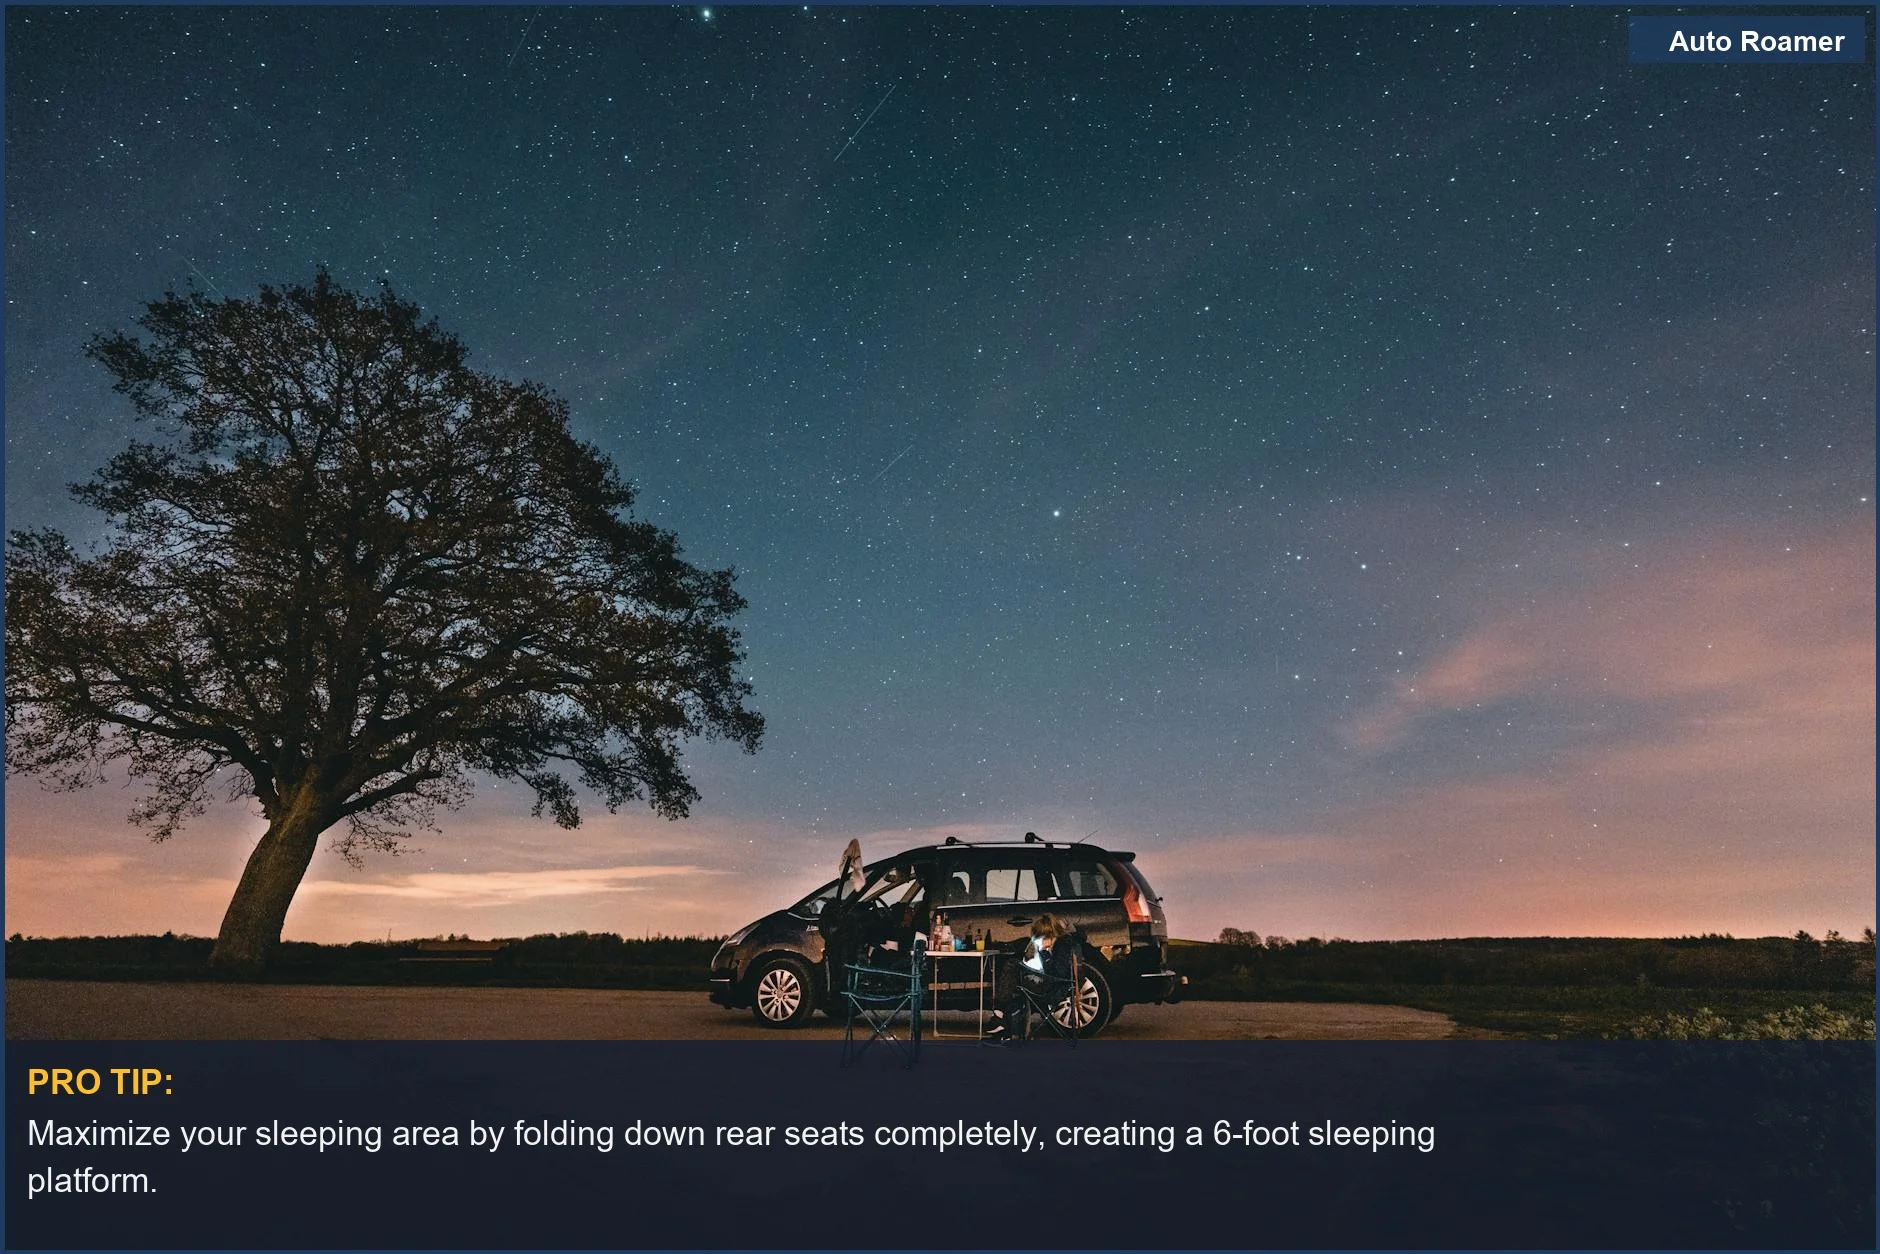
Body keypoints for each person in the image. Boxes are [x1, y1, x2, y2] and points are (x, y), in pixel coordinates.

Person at [982, 912, 1077, 1043]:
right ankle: (1002, 1025)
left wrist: (1044, 953)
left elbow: (1058, 972)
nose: (1039, 941)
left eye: (1041, 937)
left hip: (1053, 987)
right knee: (1012, 981)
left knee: (1011, 968)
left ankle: (999, 1017)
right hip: (1048, 983)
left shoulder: (1063, 945)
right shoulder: (1059, 943)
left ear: (1049, 934)